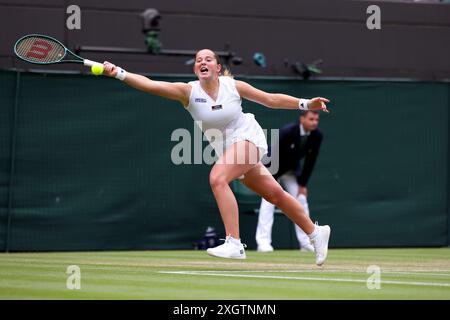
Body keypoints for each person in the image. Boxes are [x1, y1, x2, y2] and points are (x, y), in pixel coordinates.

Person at [101, 49, 331, 266]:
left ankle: (234, 242)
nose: (203, 62)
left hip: (249, 137)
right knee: (276, 195)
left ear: (218, 67)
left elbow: (270, 99)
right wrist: (119, 73)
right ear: (195, 70)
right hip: (229, 149)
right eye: (199, 59)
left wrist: (305, 103)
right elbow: (151, 85)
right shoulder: (188, 92)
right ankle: (315, 232)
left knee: (217, 178)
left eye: (208, 59)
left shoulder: (234, 86)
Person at [256, 110, 323, 253]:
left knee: (301, 200)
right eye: (311, 119)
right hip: (273, 169)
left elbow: (311, 160)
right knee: (268, 201)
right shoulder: (288, 131)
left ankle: (306, 242)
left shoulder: (317, 135)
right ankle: (263, 243)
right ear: (302, 119)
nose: (314, 123)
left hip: (292, 171)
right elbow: (272, 154)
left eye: (316, 120)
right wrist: (270, 180)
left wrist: (303, 184)